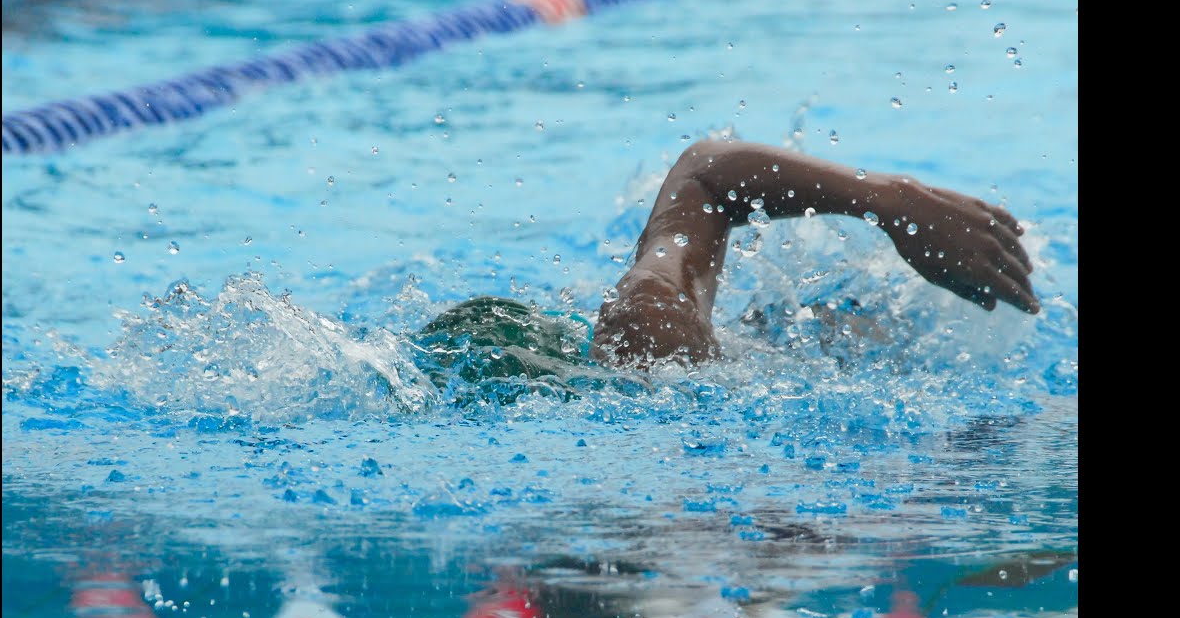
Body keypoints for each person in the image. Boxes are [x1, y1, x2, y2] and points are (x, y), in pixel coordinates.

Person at [412, 138, 1037, 391]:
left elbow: (710, 175)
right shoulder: (650, 339)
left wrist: (893, 201)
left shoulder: (647, 333)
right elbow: (706, 175)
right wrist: (888, 199)